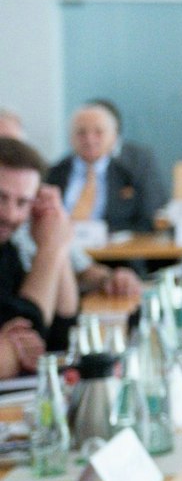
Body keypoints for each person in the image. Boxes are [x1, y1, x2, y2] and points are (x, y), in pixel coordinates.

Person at [0, 137, 73, 364]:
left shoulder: (6, 250)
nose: (10, 215)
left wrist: (56, 242)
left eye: (23, 203)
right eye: (0, 199)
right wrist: (50, 249)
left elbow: (60, 333)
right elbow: (29, 328)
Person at [46, 103, 165, 235]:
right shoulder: (53, 173)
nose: (89, 139)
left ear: (114, 137)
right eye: (81, 132)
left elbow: (149, 220)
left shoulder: (133, 173)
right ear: (70, 137)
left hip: (116, 252)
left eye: (98, 132)